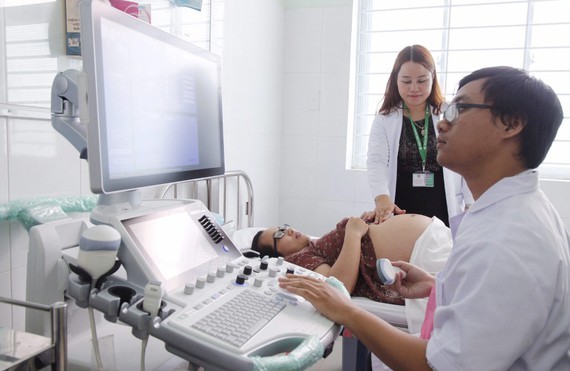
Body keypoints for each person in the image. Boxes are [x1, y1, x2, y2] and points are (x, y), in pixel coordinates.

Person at [280, 66, 570, 370]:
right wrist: (438, 285)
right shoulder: (511, 210)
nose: (442, 124)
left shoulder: (506, 242)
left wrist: (347, 312)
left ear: (511, 124)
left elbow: (438, 368)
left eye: (458, 109)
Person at [365, 45, 472, 226]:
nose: (414, 88)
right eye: (406, 81)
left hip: (443, 207)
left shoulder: (449, 114)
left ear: (433, 78)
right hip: (401, 207)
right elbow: (377, 161)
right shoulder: (385, 119)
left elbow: (466, 160)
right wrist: (382, 198)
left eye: (422, 80)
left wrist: (471, 203)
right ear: (395, 81)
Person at [251, 213, 451, 306]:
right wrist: (353, 234)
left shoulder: (313, 246)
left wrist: (367, 221)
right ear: (279, 258)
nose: (289, 230)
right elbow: (337, 286)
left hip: (431, 245)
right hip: (424, 257)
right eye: (279, 235)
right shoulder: (298, 261)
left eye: (284, 227)